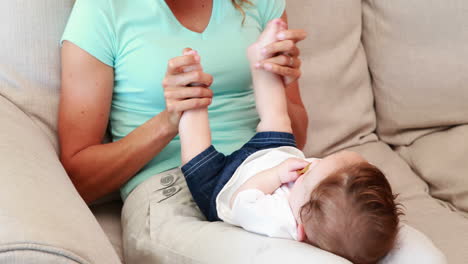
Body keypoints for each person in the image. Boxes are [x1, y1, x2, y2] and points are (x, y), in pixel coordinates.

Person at [58, 0, 446, 263]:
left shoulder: (257, 4)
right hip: (168, 188)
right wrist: (171, 119)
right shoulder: (102, 10)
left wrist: (275, 78)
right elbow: (81, 177)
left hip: (274, 170)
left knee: (403, 250)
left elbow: (297, 132)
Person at [179, 18, 402, 264]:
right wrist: (285, 166)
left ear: (301, 230)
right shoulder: (321, 201)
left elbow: (241, 200)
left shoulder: (279, 221)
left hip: (224, 182)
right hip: (270, 154)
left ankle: (192, 93)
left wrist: (275, 176)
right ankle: (262, 60)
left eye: (308, 174)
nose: (312, 163)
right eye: (321, 161)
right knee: (277, 119)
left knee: (196, 156)